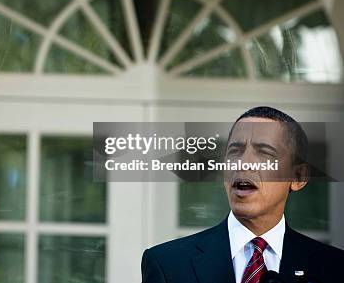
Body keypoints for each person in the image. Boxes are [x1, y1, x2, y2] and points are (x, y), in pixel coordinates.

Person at [141, 106, 344, 283]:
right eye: (235, 151)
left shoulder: (335, 268)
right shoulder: (167, 264)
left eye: (264, 152)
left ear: (298, 177)